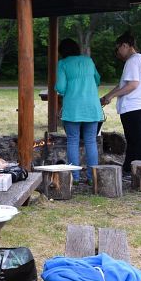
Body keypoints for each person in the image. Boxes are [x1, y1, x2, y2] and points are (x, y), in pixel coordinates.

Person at [101, 32, 141, 174]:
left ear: (125, 45)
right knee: (134, 141)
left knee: (139, 143)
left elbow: (133, 85)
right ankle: (128, 169)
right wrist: (108, 96)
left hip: (133, 107)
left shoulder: (132, 61)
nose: (118, 52)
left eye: (118, 48)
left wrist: (113, 95)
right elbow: (123, 84)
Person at [55, 38, 103, 182]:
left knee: (73, 141)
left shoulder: (63, 63)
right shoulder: (88, 60)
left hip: (73, 108)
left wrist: (58, 87)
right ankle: (92, 177)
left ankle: (74, 178)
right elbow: (98, 80)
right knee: (91, 141)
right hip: (92, 107)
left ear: (62, 51)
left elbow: (61, 87)